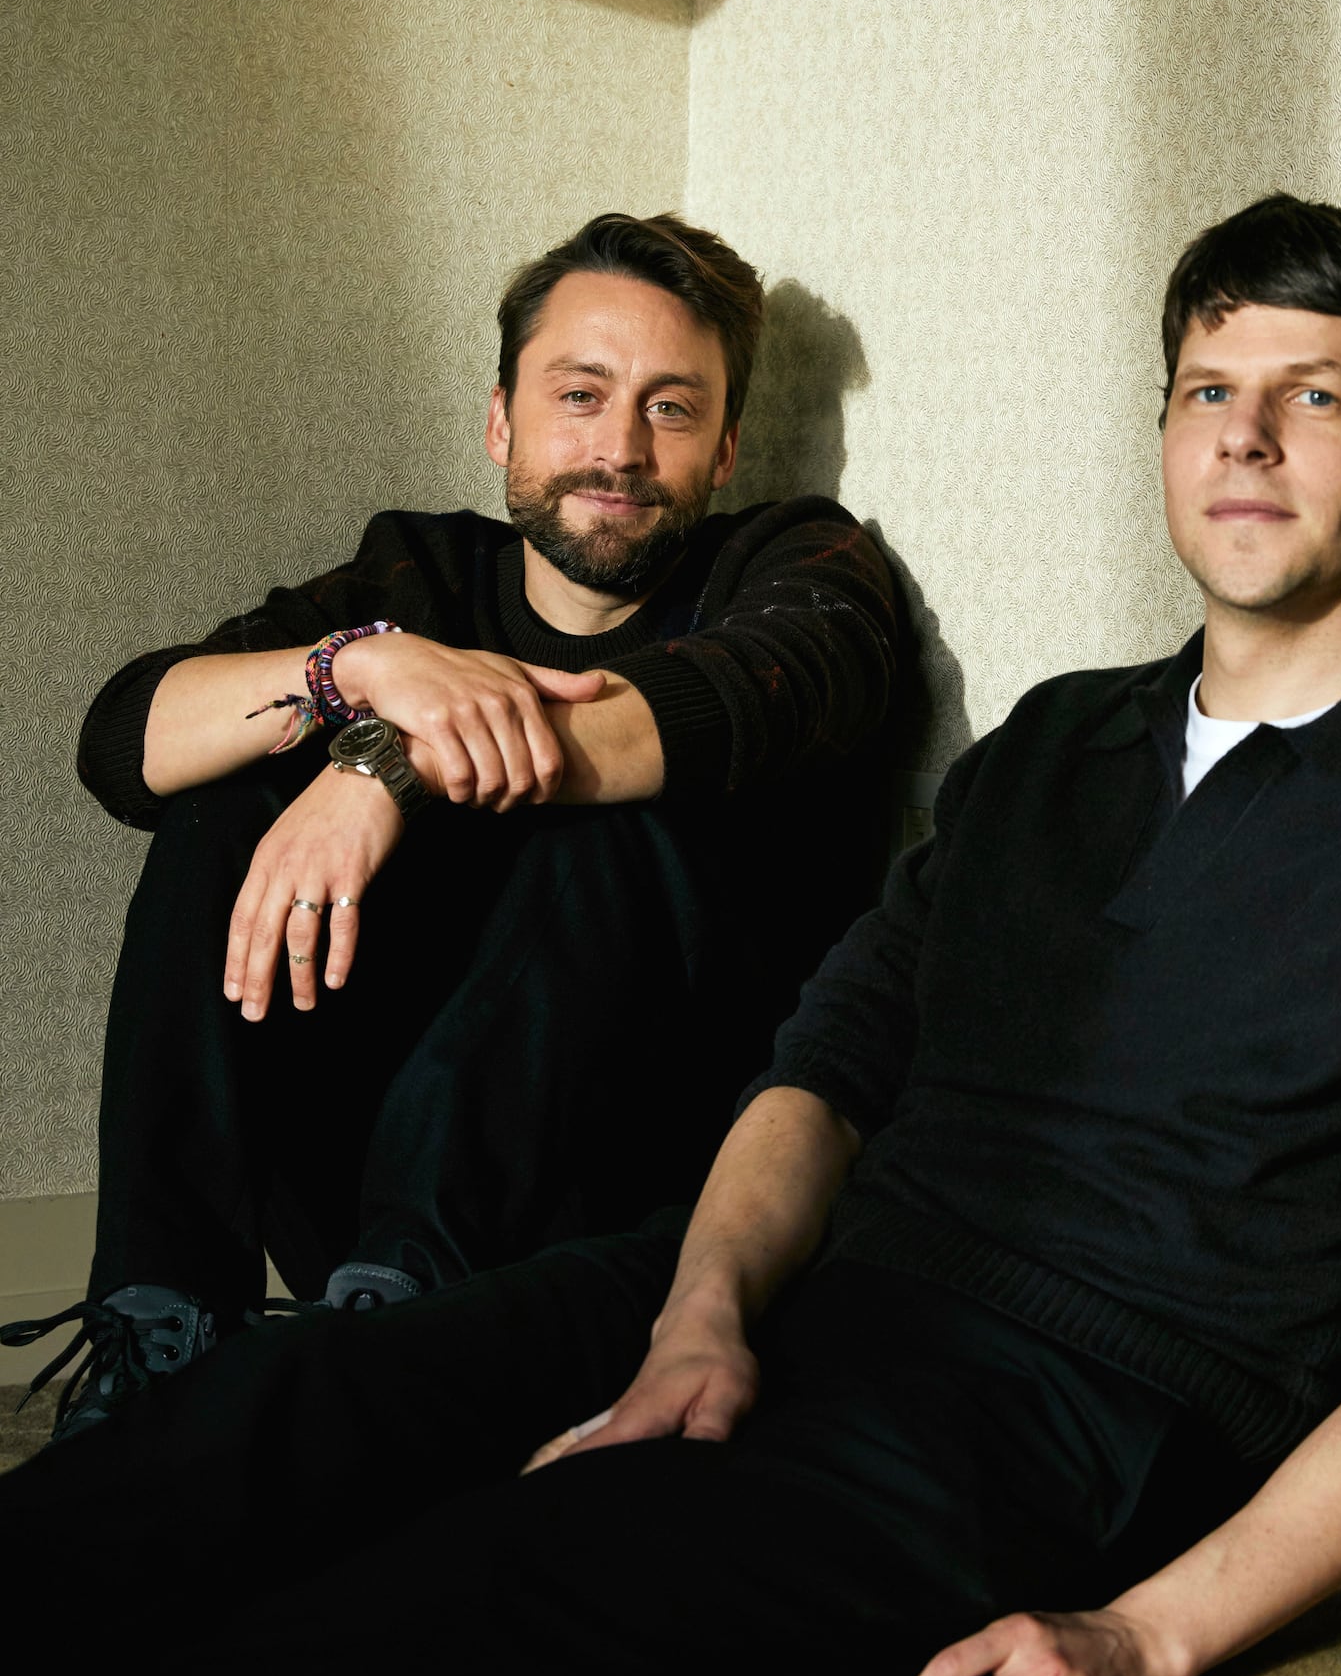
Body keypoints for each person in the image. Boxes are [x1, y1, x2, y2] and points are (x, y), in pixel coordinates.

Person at [6, 194, 1341, 1676]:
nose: (1248, 439)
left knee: (437, 1614)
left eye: (1315, 396)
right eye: (1209, 392)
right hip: (810, 1273)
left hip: (1077, 1403)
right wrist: (702, 1316)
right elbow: (832, 1061)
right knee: (294, 1411)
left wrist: (1144, 1641)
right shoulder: (1064, 739)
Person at [1, 211, 901, 1437]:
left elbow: (719, 703)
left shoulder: (798, 563)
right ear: (500, 423)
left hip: (637, 1183)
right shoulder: (416, 580)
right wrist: (347, 669)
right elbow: (124, 743)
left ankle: (401, 1363)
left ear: (728, 445)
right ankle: (163, 1330)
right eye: (579, 395)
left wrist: (385, 766)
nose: (620, 448)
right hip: (366, 1189)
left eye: (671, 408)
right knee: (226, 804)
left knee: (619, 815)